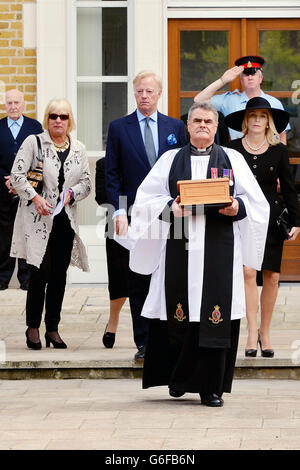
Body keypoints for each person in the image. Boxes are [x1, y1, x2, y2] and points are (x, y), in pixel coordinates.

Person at [116, 101, 269, 406]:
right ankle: (178, 380)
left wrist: (237, 207)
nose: (202, 125)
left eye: (208, 121)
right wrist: (170, 207)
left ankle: (211, 388)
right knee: (178, 313)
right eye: (196, 120)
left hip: (219, 246)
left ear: (216, 127)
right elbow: (145, 201)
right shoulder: (170, 160)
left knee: (215, 314)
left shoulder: (233, 159)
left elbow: (257, 204)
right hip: (179, 246)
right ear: (187, 126)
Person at [105, 70, 187, 360]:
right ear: (134, 94)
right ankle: (144, 343)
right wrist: (120, 210)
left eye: (149, 91)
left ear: (159, 94)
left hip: (170, 214)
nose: (144, 96)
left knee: (168, 275)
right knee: (138, 275)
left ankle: (170, 339)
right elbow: (112, 175)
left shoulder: (175, 126)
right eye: (139, 91)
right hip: (135, 217)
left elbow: (182, 171)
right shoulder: (119, 128)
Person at [9, 98, 91, 350]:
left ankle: (52, 328)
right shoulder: (34, 142)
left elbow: (87, 183)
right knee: (39, 274)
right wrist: (35, 197)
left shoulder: (78, 148)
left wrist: (72, 193)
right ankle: (32, 327)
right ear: (47, 119)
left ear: (70, 121)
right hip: (37, 221)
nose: (58, 121)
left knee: (59, 277)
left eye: (63, 117)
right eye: (53, 116)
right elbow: (16, 176)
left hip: (65, 222)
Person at [224, 97, 300, 358]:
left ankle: (265, 333)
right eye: (253, 115)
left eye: (262, 116)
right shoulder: (231, 149)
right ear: (246, 120)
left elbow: (289, 189)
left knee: (272, 275)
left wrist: (297, 221)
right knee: (247, 272)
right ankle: (250, 331)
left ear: (269, 122)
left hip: (271, 220)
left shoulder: (278, 151)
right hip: (242, 218)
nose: (257, 120)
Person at [0, 89, 43, 291]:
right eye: (9, 103)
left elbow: (41, 159)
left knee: (27, 232)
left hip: (28, 191)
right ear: (4, 105)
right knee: (4, 235)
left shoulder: (35, 127)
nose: (13, 106)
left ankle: (26, 279)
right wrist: (6, 180)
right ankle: (2, 278)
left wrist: (22, 182)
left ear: (23, 104)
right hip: (3, 191)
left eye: (17, 102)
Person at [194, 55, 290, 144]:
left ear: (260, 78)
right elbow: (199, 100)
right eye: (246, 75)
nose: (250, 78)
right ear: (241, 80)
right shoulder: (230, 100)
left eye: (253, 74)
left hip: (268, 156)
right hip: (238, 155)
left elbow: (282, 135)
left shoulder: (274, 103)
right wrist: (222, 80)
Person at [95, 157, 129, 348]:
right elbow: (101, 196)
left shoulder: (143, 159)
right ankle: (112, 323)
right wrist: (123, 205)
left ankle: (146, 329)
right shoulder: (104, 164)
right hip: (116, 223)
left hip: (147, 221)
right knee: (118, 276)